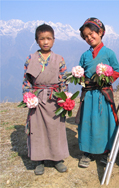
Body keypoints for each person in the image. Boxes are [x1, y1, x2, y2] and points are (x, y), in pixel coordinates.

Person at [75, 17, 119, 168]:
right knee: (87, 121)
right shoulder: (84, 55)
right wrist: (79, 77)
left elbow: (116, 71)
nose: (89, 38)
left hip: (104, 94)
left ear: (101, 32)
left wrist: (106, 79)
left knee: (106, 122)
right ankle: (87, 152)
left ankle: (108, 150)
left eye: (92, 34)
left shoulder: (109, 53)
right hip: (89, 95)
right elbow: (81, 72)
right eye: (86, 36)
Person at [22, 24, 69, 175]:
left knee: (55, 129)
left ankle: (57, 159)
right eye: (42, 39)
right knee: (37, 129)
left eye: (49, 38)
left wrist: (65, 99)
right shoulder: (31, 59)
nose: (46, 42)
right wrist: (28, 97)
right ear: (37, 40)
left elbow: (63, 81)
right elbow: (27, 81)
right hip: (37, 98)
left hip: (54, 99)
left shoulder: (59, 59)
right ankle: (38, 160)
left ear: (54, 40)